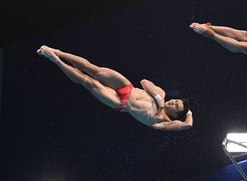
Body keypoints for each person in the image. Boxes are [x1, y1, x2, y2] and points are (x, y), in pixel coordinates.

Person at [37, 45, 193, 130]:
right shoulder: (161, 94)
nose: (173, 102)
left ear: (175, 114)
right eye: (176, 101)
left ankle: (55, 60)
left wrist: (189, 112)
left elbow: (188, 125)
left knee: (88, 82)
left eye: (176, 106)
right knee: (93, 69)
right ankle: (58, 51)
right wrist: (158, 99)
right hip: (127, 87)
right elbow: (145, 82)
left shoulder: (162, 122)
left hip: (120, 103)